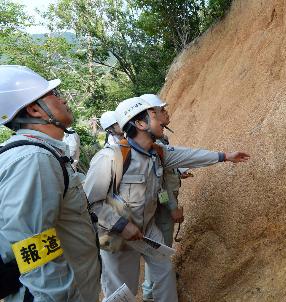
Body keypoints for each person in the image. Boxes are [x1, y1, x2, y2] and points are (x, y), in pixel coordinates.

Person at [83, 96, 250, 301]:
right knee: (122, 290)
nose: (162, 120)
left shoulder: (157, 153)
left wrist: (224, 156)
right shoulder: (110, 157)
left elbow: (190, 155)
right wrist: (121, 225)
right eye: (155, 115)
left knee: (163, 271)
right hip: (116, 235)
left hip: (148, 230)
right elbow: (90, 203)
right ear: (140, 123)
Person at [0, 65, 101, 301]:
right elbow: (34, 245)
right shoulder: (34, 159)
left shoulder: (45, 154)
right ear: (34, 109)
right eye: (54, 95)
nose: (63, 99)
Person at [139, 94, 189, 301]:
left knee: (158, 250)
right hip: (162, 206)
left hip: (158, 205)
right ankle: (152, 292)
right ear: (152, 114)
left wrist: (179, 172)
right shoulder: (153, 143)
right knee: (160, 251)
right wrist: (173, 207)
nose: (167, 112)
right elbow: (162, 183)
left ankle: (153, 287)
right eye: (162, 110)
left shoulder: (157, 140)